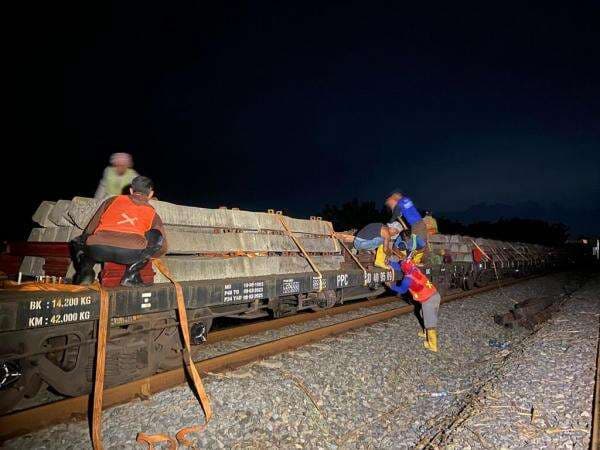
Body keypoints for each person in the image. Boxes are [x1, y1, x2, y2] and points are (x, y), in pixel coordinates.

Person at [71, 176, 167, 286]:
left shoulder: (112, 200)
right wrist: (149, 256)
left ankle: (86, 272)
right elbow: (163, 245)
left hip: (98, 249)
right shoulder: (152, 212)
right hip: (131, 254)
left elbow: (90, 228)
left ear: (131, 191)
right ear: (150, 194)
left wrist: (89, 241)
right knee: (157, 235)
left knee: (77, 240)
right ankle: (131, 275)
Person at [389, 258, 441, 352]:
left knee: (430, 322)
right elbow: (400, 265)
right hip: (435, 295)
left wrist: (391, 286)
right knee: (423, 313)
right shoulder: (415, 269)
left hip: (428, 300)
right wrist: (389, 262)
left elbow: (402, 290)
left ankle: (433, 345)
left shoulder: (407, 280)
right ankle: (425, 333)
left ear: (404, 269)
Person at [337, 222, 403, 269]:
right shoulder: (386, 233)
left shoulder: (381, 226)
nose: (394, 234)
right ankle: (379, 262)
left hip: (358, 241)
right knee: (385, 241)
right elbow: (385, 249)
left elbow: (369, 235)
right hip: (361, 243)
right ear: (393, 228)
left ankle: (369, 250)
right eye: (395, 232)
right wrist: (389, 255)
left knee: (381, 240)